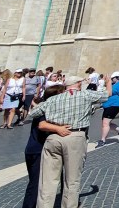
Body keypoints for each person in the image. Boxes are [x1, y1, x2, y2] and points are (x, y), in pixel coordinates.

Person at [28, 74, 113, 208]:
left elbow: (32, 113)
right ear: (78, 84)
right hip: (75, 137)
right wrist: (108, 82)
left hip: (53, 138)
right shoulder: (85, 95)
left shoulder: (53, 99)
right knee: (72, 180)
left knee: (47, 181)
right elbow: (107, 94)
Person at [22, 84, 72, 208]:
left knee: (47, 182)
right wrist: (58, 128)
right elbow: (42, 125)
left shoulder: (50, 107)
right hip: (38, 150)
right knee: (36, 184)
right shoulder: (45, 107)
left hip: (43, 149)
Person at [97, 71, 119, 147]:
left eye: (112, 78)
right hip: (107, 105)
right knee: (106, 123)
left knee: (105, 123)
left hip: (114, 105)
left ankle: (102, 140)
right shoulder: (112, 84)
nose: (112, 79)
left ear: (117, 78)